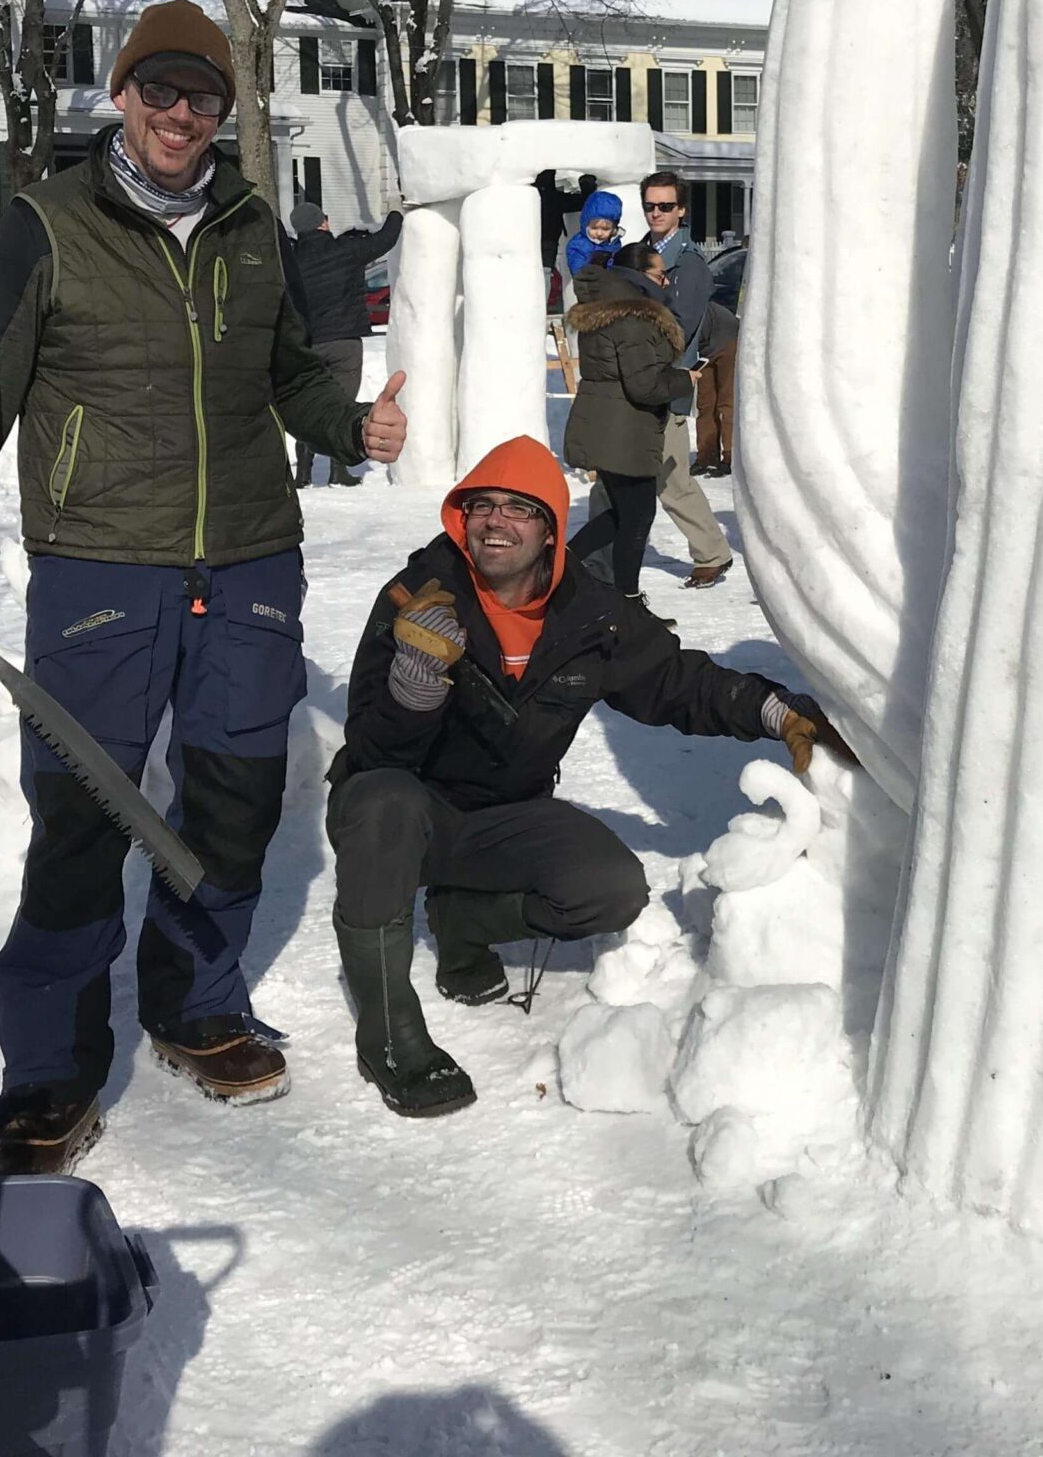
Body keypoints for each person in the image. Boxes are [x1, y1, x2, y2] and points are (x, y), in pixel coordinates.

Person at [0, 0, 411, 1176]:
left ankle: (196, 1003)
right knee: (82, 818)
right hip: (99, 566)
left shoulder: (250, 225)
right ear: (122, 96)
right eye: (161, 91)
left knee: (234, 802)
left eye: (203, 97)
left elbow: (285, 379)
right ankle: (49, 1070)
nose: (181, 114)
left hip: (249, 561)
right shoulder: (48, 224)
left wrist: (347, 424)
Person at [323, 434, 848, 1117]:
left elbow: (677, 682)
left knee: (609, 889)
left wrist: (776, 711)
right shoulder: (416, 598)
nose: (495, 521)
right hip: (404, 812)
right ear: (461, 516)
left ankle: (463, 920)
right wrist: (414, 689)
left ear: (549, 529)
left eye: (518, 508)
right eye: (482, 505)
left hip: (506, 814)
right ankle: (388, 1037)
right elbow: (371, 749)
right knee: (381, 801)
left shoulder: (590, 614)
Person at [586, 172, 735, 586]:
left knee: (667, 477)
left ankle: (711, 553)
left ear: (681, 210)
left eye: (665, 206)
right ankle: (597, 563)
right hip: (633, 382)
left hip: (662, 384)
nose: (656, 213)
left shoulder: (689, 264)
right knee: (622, 474)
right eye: (650, 205)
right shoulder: (639, 251)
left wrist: (651, 373)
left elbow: (679, 330)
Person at [563, 243, 686, 602]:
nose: (666, 281)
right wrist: (684, 379)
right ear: (639, 276)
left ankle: (559, 565)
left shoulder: (606, 306)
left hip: (607, 422)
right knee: (637, 518)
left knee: (621, 514)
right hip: (625, 429)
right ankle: (627, 604)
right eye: (659, 274)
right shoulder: (634, 317)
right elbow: (644, 385)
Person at [289, 197, 404, 488]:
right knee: (340, 404)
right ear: (324, 223)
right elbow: (386, 239)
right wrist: (396, 212)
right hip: (344, 344)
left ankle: (303, 472)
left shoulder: (291, 259)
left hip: (308, 343)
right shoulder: (346, 250)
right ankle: (338, 471)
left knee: (309, 403)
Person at [691, 296, 738, 476]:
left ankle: (730, 456)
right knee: (705, 403)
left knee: (727, 402)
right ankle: (706, 456)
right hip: (704, 348)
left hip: (727, 339)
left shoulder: (681, 305)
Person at [562, 189, 625, 286]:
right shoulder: (578, 245)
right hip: (588, 286)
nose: (599, 233)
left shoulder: (613, 243)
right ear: (585, 224)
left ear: (613, 229)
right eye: (594, 228)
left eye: (605, 229)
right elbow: (578, 271)